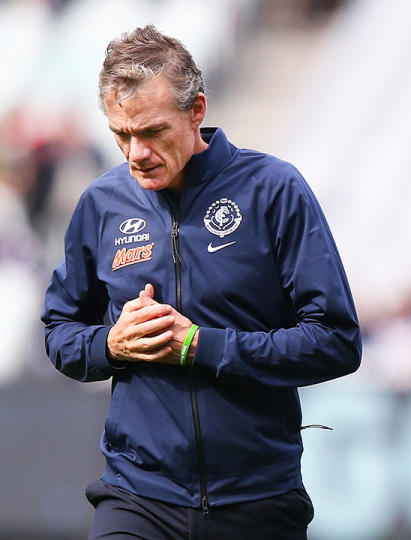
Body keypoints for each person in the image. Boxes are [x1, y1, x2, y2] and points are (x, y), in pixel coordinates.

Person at [41, 25, 361, 539]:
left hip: (257, 499)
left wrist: (200, 346)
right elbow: (59, 331)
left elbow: (337, 342)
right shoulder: (101, 205)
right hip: (137, 495)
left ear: (197, 111)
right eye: (121, 134)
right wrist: (111, 344)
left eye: (152, 132)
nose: (135, 153)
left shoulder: (273, 191)